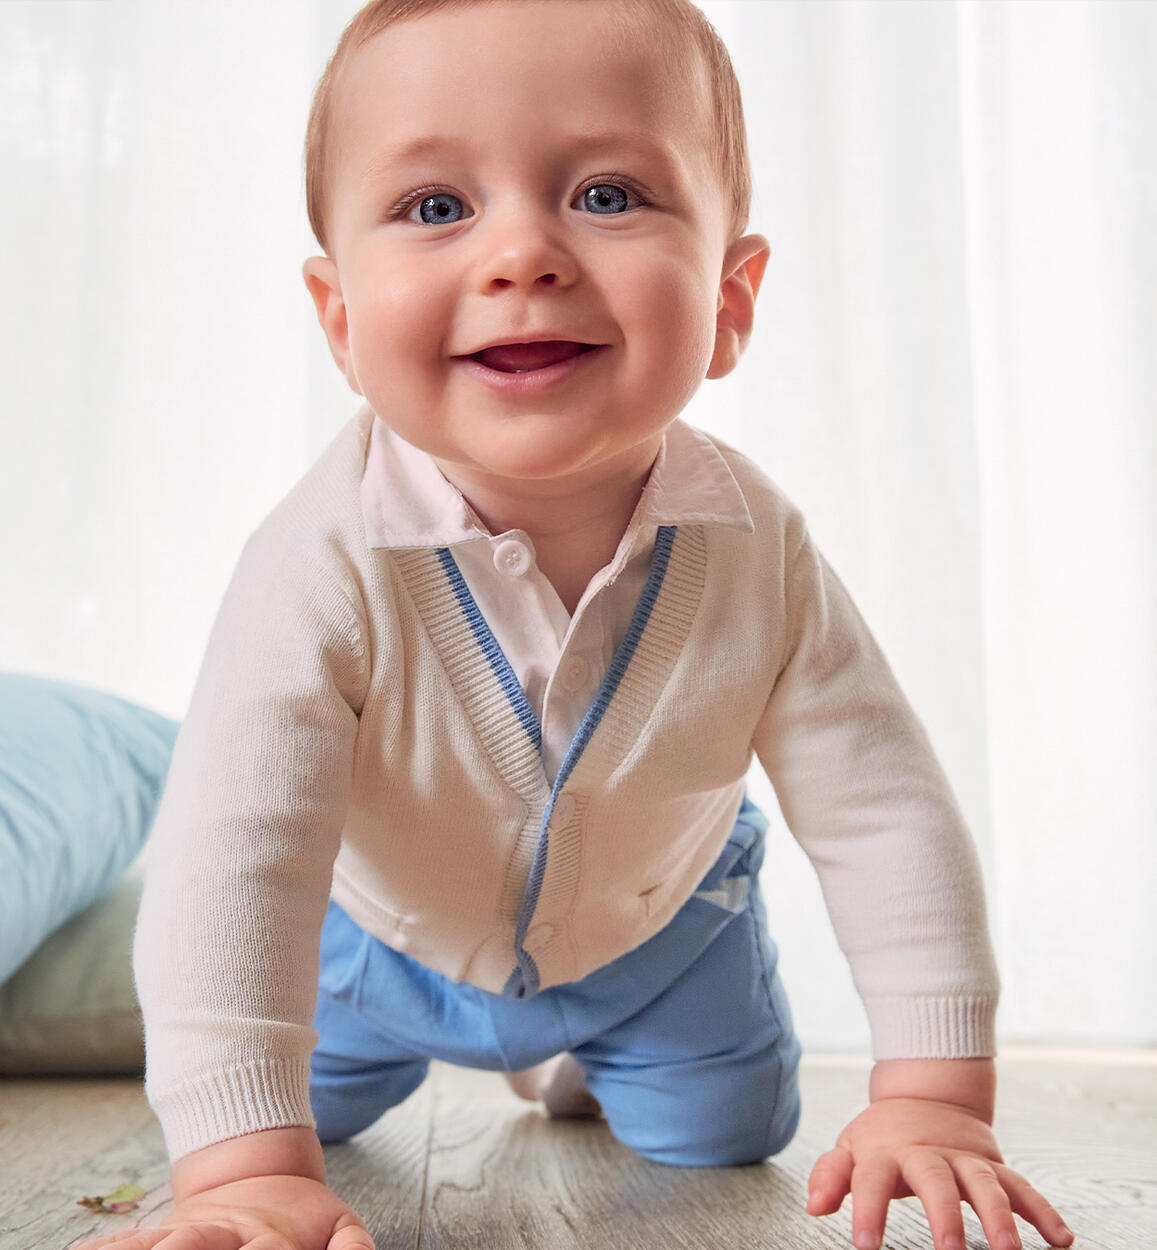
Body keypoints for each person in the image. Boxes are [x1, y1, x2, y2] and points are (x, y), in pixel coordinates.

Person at [78, 3, 1076, 1250]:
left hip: (659, 936)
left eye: (605, 194)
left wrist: (935, 1096)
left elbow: (883, 804)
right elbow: (233, 850)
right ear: (340, 322)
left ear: (728, 297)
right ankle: (367, 1083)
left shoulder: (757, 547)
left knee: (729, 1127)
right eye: (437, 207)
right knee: (279, 1117)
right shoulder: (316, 560)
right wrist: (240, 1166)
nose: (522, 255)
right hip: (368, 947)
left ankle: (580, 1064)